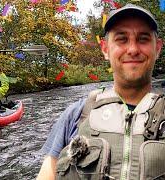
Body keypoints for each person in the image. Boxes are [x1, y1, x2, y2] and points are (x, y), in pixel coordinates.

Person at [37, 3, 164, 180]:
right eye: (122, 39)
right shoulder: (75, 116)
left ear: (157, 48)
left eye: (143, 39)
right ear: (105, 49)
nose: (133, 49)